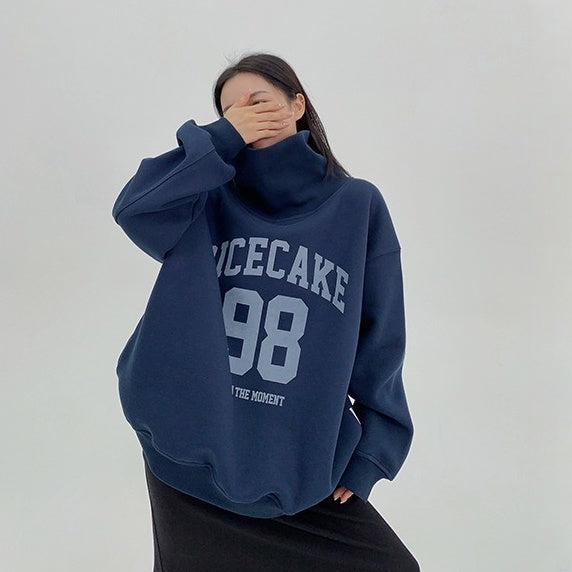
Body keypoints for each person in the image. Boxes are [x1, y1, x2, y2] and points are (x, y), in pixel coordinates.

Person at [112, 51, 420, 571]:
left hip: (297, 460)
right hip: (189, 440)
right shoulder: (203, 196)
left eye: (259, 102)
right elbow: (135, 209)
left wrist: (373, 451)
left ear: (298, 105)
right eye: (231, 111)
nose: (246, 116)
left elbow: (381, 334)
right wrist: (220, 140)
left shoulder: (357, 206)